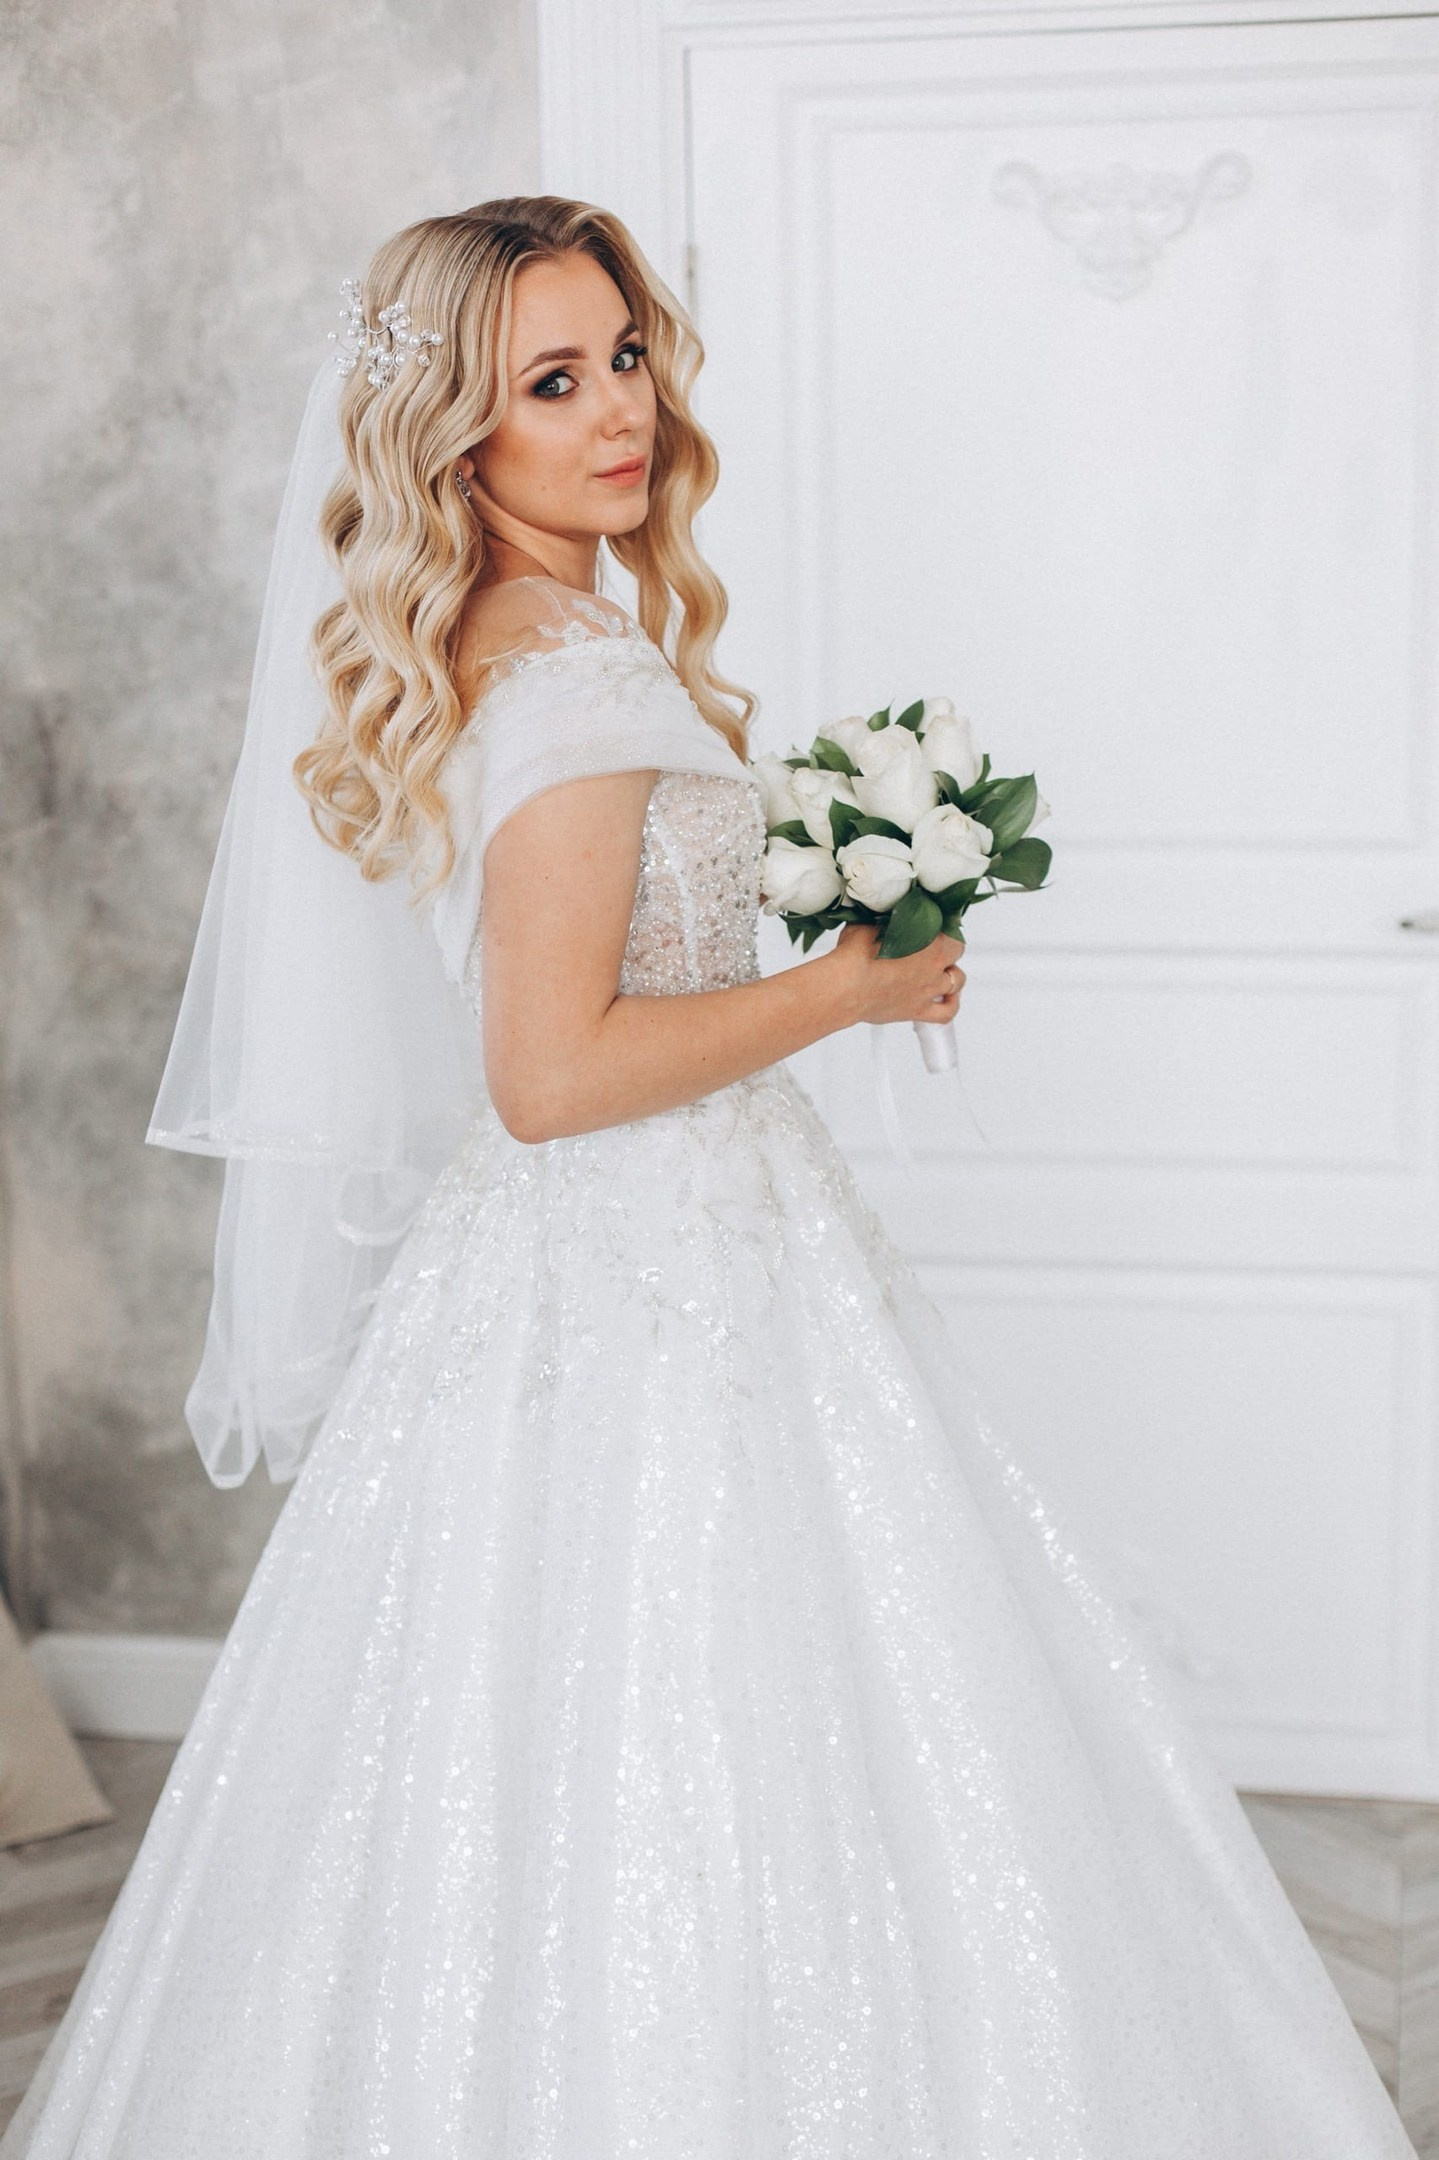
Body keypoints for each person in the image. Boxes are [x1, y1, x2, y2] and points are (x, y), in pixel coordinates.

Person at [2, 196, 1417, 2158]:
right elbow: (551, 1077)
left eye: (626, 357)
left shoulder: (526, 635)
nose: (619, 413)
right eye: (551, 382)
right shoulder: (567, 683)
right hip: (653, 1260)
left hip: (617, 1257)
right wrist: (850, 985)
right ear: (451, 435)